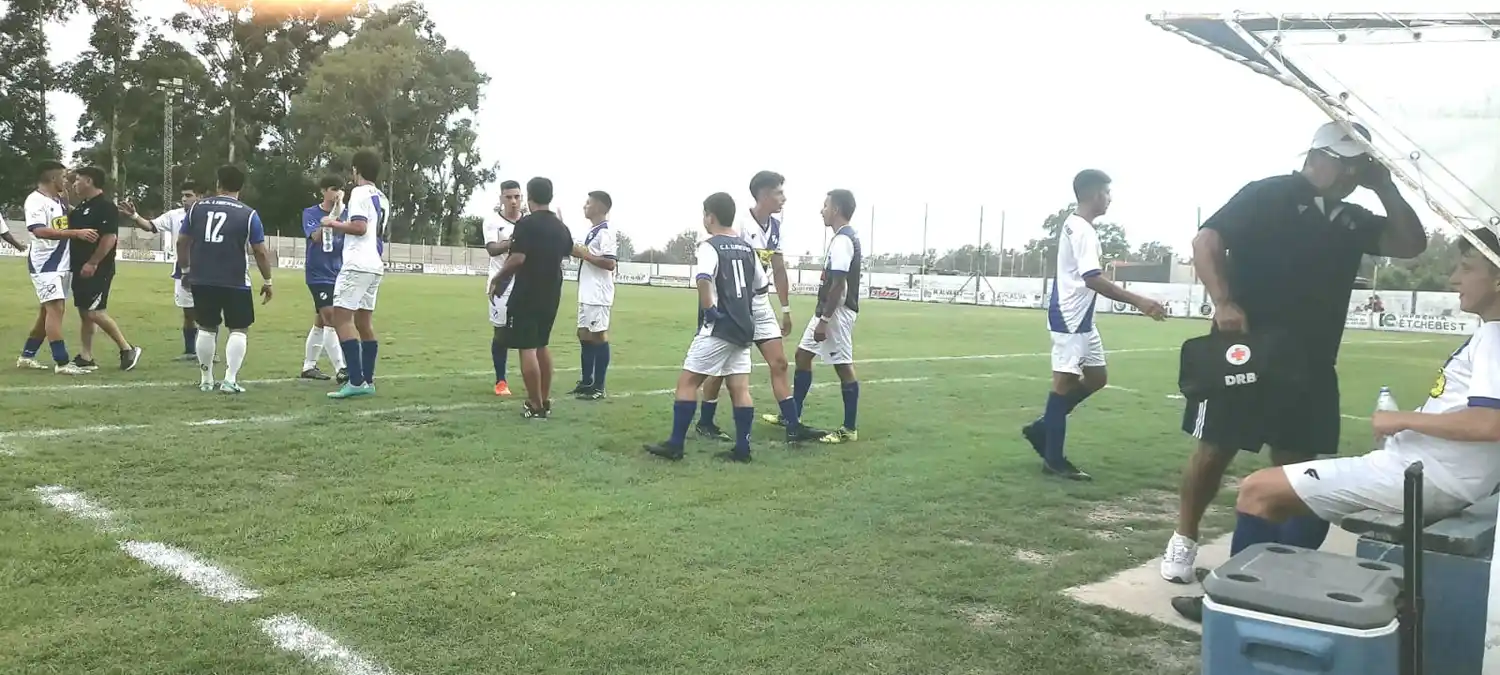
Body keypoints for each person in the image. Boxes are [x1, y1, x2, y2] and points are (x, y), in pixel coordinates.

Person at [1173, 228, 1499, 623]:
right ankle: (1263, 584)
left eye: (1466, 268)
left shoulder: (1496, 337)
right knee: (1303, 496)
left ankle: (1232, 607)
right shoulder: (1489, 333)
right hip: (1429, 471)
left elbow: (1490, 422)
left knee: (1258, 490)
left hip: (1430, 478)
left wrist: (1399, 420)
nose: (1453, 279)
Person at [1160, 121, 1428, 587]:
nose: (1351, 176)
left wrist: (1384, 185)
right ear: (1318, 156)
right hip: (1246, 349)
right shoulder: (1269, 194)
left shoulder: (1351, 218)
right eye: (1347, 165)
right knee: (1216, 446)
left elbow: (1411, 245)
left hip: (1310, 360)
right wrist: (1223, 301)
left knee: (1296, 461)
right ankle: (1184, 538)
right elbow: (1206, 241)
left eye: (1359, 167)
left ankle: (1268, 560)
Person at [1022, 170, 1165, 480]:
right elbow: (1092, 278)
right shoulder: (1083, 231)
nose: (1110, 199)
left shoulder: (1076, 226)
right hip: (1070, 318)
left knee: (1097, 377)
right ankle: (1054, 460)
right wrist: (1139, 301)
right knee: (1063, 383)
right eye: (1107, 193)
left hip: (1083, 320)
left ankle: (1043, 427)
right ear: (1094, 194)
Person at [699, 171, 822, 443]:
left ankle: (793, 427)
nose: (784, 198)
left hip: (760, 301)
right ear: (764, 194)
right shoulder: (740, 224)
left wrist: (786, 309)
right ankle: (705, 422)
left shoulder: (776, 228)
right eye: (779, 192)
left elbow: (778, 269)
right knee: (721, 366)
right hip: (735, 303)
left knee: (778, 363)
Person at [646, 192, 767, 463]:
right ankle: (743, 449)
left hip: (720, 326)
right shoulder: (747, 248)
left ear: (710, 216)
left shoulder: (709, 246)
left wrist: (710, 310)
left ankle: (675, 445)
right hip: (744, 327)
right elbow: (761, 285)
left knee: (688, 382)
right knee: (740, 388)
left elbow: (703, 277)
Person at [177, 165, 275, 393]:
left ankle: (206, 379)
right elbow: (259, 251)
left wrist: (185, 270)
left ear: (218, 183)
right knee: (239, 329)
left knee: (207, 327)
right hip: (235, 280)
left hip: (202, 278)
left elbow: (182, 241)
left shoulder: (196, 208)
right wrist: (268, 281)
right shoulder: (248, 213)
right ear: (241, 186)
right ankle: (230, 379)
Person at [491, 176, 574, 418]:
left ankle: (535, 404)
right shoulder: (561, 227)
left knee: (526, 348)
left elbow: (518, 258)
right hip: (552, 292)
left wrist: (498, 279)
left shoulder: (526, 224)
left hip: (528, 291)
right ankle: (544, 399)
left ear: (529, 197)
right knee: (542, 345)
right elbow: (567, 251)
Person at [788, 189, 866, 444]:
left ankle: (849, 428)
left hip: (836, 313)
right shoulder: (840, 238)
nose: (821, 210)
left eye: (825, 205)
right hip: (827, 310)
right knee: (802, 356)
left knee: (843, 366)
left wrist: (825, 320)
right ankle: (793, 416)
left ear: (836, 209)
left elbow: (839, 286)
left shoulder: (844, 240)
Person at [322, 150, 390, 400]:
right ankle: (367, 380)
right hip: (374, 263)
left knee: (341, 319)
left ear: (355, 170)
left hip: (357, 263)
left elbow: (360, 227)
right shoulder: (382, 197)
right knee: (364, 323)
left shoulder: (359, 193)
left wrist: (332, 224)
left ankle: (356, 380)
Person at [15, 160, 91, 375]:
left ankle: (27, 356)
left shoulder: (58, 200)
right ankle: (62, 362)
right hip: (46, 264)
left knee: (47, 313)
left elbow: (71, 218)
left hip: (61, 264)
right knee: (55, 310)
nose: (66, 181)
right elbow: (39, 230)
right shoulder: (35, 201)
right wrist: (75, 234)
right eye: (64, 177)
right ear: (52, 178)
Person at [67, 166, 142, 372]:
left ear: (89, 181)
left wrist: (93, 262)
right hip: (79, 266)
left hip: (99, 268)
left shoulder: (106, 206)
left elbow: (110, 238)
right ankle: (86, 356)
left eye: (78, 179)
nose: (75, 184)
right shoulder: (82, 206)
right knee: (84, 312)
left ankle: (127, 349)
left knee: (94, 311)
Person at [121, 180, 202, 361]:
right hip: (183, 270)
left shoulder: (209, 215)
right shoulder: (174, 216)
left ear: (200, 196)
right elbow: (151, 226)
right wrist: (134, 216)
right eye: (182, 195)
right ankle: (190, 351)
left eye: (188, 195)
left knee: (207, 313)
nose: (184, 199)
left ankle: (208, 351)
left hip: (207, 269)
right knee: (188, 313)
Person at [299, 175, 348, 382]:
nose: (337, 193)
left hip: (339, 272)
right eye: (333, 188)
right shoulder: (310, 213)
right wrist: (334, 215)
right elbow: (317, 237)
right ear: (323, 191)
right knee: (332, 318)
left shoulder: (348, 214)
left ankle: (309, 366)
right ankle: (342, 369)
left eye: (340, 189)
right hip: (318, 273)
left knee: (321, 320)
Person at [570, 190, 618, 400]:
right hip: (586, 291)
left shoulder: (605, 232)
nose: (584, 206)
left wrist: (585, 255)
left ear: (599, 207)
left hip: (598, 293)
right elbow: (581, 253)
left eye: (588, 203)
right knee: (583, 333)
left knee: (598, 335)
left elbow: (610, 263)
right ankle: (586, 380)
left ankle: (599, 386)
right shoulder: (591, 231)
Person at [485, 180, 523, 396]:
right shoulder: (492, 221)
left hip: (525, 283)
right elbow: (492, 249)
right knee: (501, 333)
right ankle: (501, 381)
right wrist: (515, 240)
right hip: (501, 285)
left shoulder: (527, 222)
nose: (513, 201)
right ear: (501, 198)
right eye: (508, 197)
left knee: (527, 332)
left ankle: (531, 377)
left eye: (517, 196)